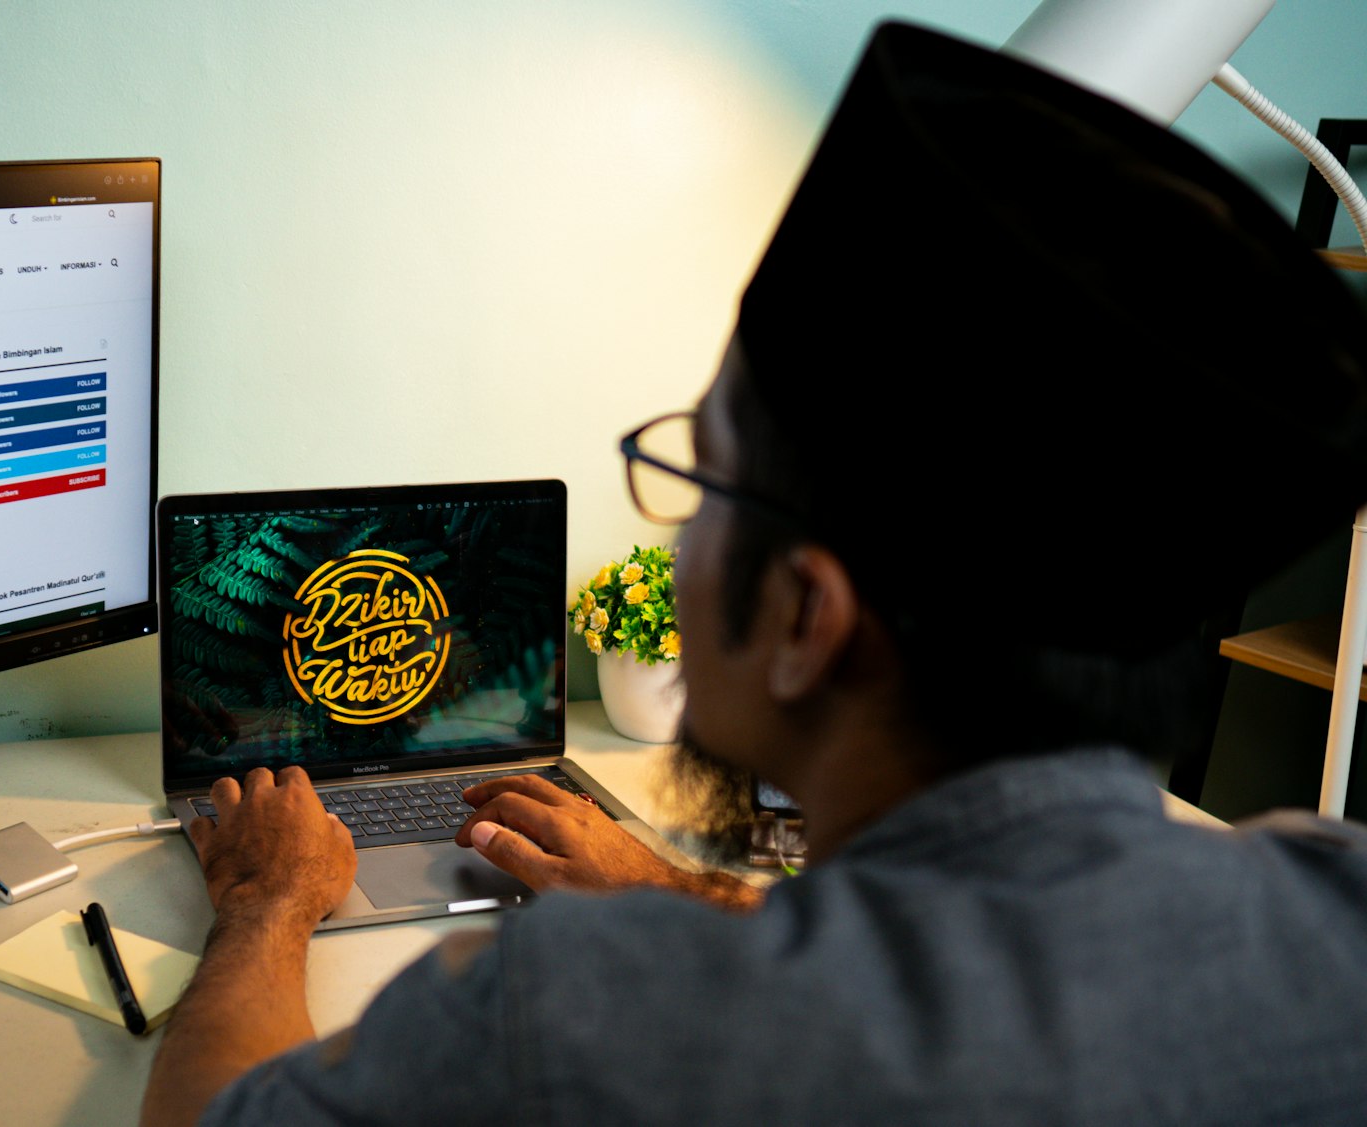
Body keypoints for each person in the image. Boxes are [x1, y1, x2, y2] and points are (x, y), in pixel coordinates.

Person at [142, 22, 1367, 1126]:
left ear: (803, 613)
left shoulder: (586, 1022)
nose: (674, 548)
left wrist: (271, 896)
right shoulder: (1330, 908)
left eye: (699, 481)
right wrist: (671, 883)